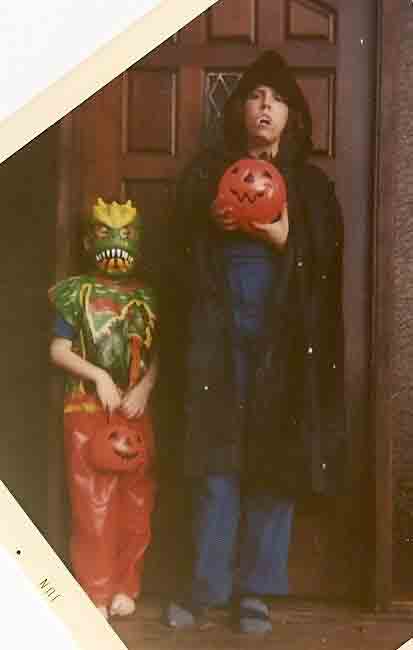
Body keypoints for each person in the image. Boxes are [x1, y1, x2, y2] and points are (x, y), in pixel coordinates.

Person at [161, 49, 347, 634]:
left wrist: (287, 239)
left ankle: (254, 592)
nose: (265, 107)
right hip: (218, 334)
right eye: (256, 96)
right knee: (214, 456)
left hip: (281, 339)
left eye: (277, 99)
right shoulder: (205, 174)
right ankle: (204, 588)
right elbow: (174, 255)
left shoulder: (311, 186)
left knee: (273, 460)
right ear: (240, 109)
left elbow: (328, 260)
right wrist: (207, 224)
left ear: (293, 116)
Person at [49, 198, 158, 620]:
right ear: (88, 240)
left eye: (125, 234)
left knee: (136, 502)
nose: (116, 243)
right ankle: (94, 588)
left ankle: (126, 585)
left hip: (134, 411)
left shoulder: (146, 296)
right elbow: (59, 349)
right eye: (105, 233)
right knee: (92, 504)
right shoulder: (77, 293)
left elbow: (158, 356)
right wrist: (98, 376)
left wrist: (144, 387)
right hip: (87, 409)